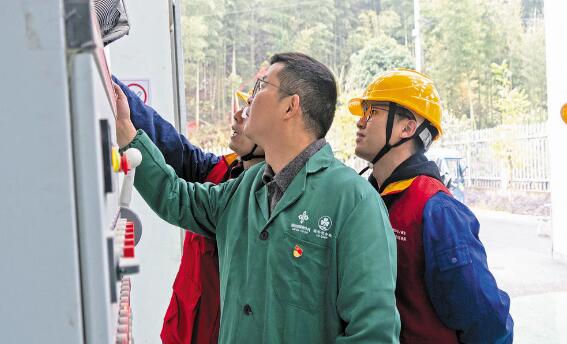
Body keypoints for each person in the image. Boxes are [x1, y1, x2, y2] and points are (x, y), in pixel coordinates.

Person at [115, 52, 401, 343]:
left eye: (260, 86)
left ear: (291, 106)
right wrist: (128, 133)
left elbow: (373, 333)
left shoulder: (353, 201)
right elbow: (176, 198)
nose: (249, 101)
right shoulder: (245, 187)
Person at [349, 68, 513, 343]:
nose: (360, 122)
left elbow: (485, 317)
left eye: (373, 111)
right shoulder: (368, 196)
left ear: (407, 127)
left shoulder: (436, 209)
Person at [113, 78, 264, 344]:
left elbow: (172, 196)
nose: (238, 116)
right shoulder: (219, 173)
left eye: (250, 111)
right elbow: (164, 139)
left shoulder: (268, 203)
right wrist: (112, 85)